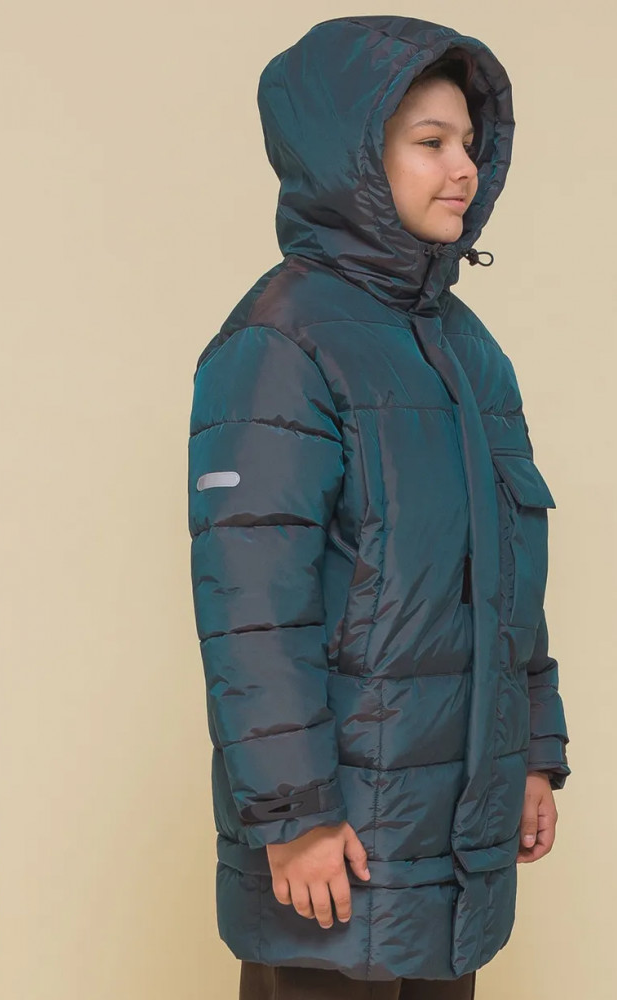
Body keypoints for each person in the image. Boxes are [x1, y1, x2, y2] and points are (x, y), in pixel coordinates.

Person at [187, 14, 571, 1000]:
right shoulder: (280, 344)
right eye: (430, 142)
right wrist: (295, 816)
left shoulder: (467, 347)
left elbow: (505, 582)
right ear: (351, 156)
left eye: (470, 143)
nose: (464, 169)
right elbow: (252, 607)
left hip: (451, 831)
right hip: (337, 839)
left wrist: (532, 754)